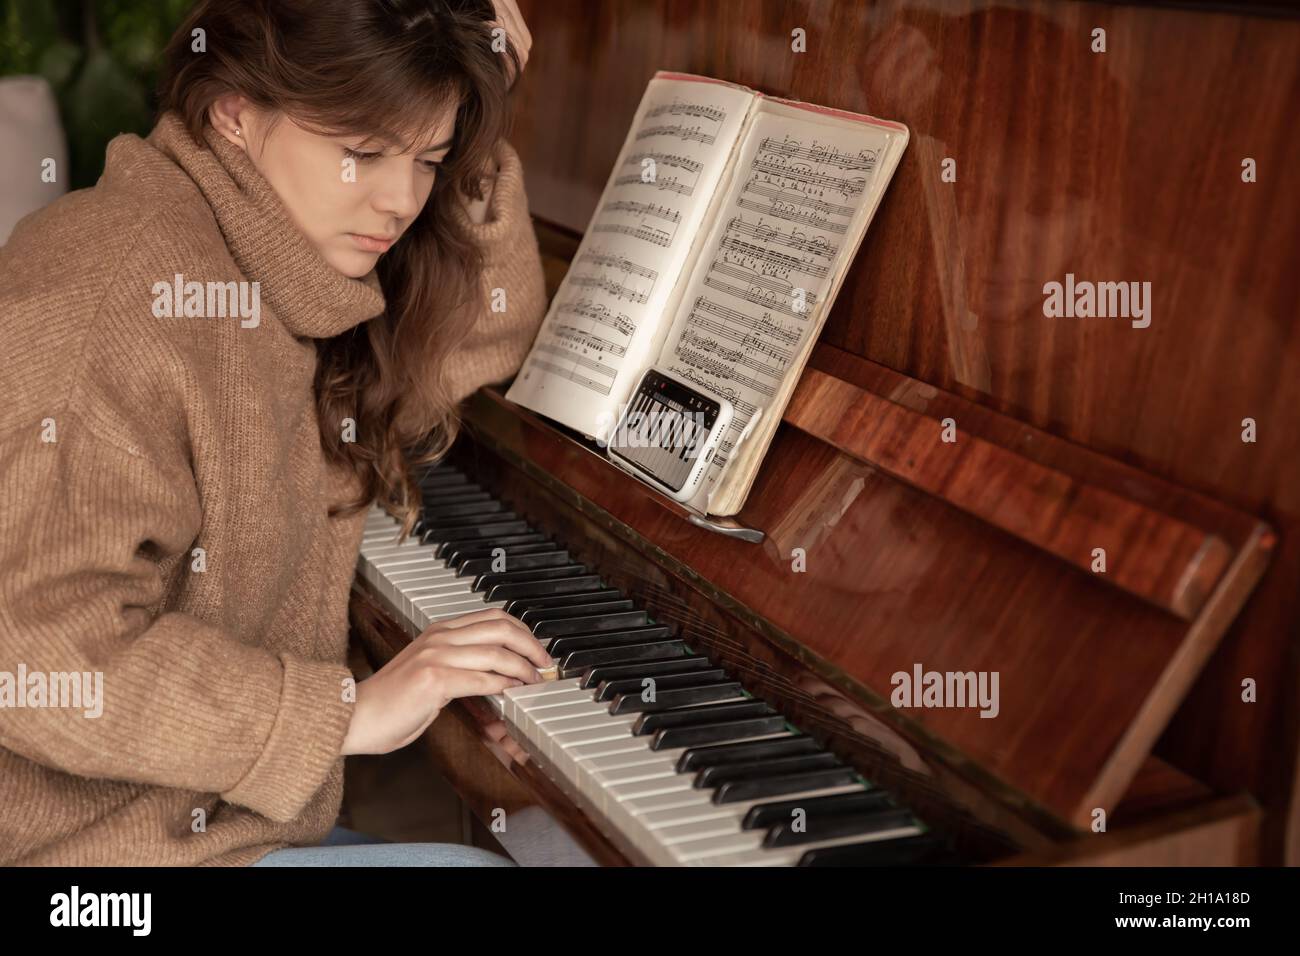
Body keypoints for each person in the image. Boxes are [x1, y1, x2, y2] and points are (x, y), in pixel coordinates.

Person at [0, 0, 552, 866]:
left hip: (214, 832)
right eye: (362, 154)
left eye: (429, 162)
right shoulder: (122, 292)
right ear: (234, 110)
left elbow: (477, 340)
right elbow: (33, 653)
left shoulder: (268, 258)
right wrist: (347, 713)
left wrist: (470, 130)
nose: (403, 199)